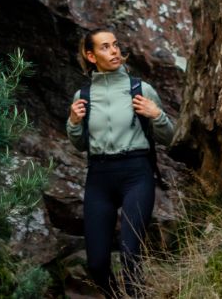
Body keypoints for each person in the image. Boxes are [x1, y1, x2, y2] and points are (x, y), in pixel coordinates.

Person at [67, 29, 174, 298]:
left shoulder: (140, 89)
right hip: (99, 177)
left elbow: (168, 138)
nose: (114, 51)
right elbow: (80, 145)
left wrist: (157, 115)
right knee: (96, 264)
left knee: (130, 254)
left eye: (115, 45)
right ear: (91, 56)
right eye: (105, 47)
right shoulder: (83, 95)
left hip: (136, 173)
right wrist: (73, 123)